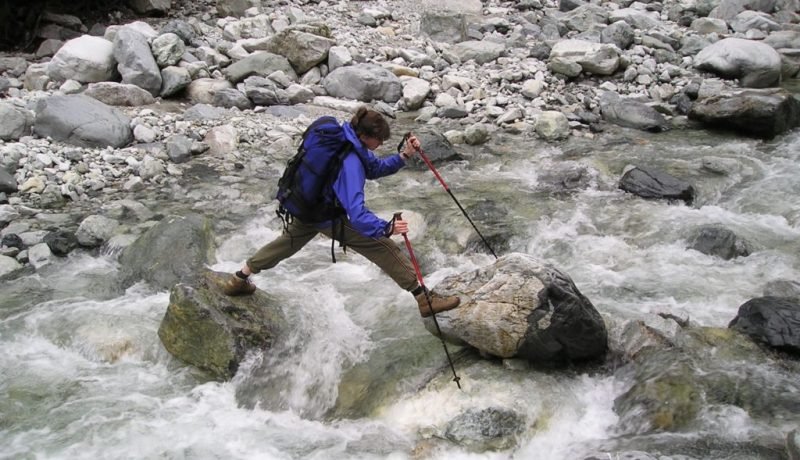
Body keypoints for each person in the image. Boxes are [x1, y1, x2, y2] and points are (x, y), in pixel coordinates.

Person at [223, 106, 461, 318]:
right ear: (365, 137)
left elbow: (375, 167)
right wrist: (385, 228)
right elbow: (356, 212)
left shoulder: (343, 138)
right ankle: (424, 299)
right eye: (378, 141)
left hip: (306, 206)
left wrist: (404, 155)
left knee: (286, 243)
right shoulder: (350, 163)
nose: (380, 145)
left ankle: (239, 278)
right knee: (383, 246)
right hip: (326, 215)